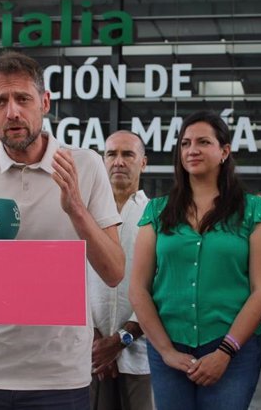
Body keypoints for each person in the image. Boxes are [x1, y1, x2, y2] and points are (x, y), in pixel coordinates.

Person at [0, 50, 125, 410]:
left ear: (45, 102)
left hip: (61, 373)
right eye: (0, 102)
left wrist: (77, 211)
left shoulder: (84, 164)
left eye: (23, 99)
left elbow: (114, 272)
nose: (13, 112)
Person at [129, 111, 261, 410]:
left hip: (233, 351)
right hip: (169, 350)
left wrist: (225, 351)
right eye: (185, 143)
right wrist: (166, 351)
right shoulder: (157, 212)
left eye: (203, 142)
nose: (192, 150)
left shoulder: (254, 210)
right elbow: (138, 288)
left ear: (224, 151)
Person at [90, 130, 154, 410]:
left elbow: (162, 285)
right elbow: (69, 281)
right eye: (111, 154)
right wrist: (94, 342)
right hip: (89, 355)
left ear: (143, 162)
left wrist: (121, 340)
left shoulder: (158, 215)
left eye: (128, 154)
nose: (118, 161)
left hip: (140, 353)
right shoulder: (84, 215)